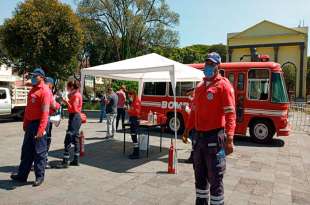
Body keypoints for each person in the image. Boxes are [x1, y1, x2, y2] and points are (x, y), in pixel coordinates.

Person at [183, 52, 236, 205]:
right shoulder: (199, 86)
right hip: (198, 139)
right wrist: (187, 130)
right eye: (207, 63)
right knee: (199, 175)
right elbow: (193, 110)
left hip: (214, 138)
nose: (208, 66)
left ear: (218, 66)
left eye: (212, 64)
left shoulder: (223, 86)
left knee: (215, 177)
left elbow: (230, 114)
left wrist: (230, 138)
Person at [10, 68, 50, 187]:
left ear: (41, 77)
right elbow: (28, 109)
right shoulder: (32, 90)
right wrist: (25, 123)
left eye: (35, 76)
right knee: (26, 151)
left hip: (39, 124)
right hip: (31, 124)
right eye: (32, 75)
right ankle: (22, 175)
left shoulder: (45, 91)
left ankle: (39, 177)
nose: (32, 77)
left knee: (39, 152)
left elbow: (45, 113)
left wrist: (41, 130)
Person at [60, 80, 83, 168]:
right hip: (76, 118)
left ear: (72, 87)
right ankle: (76, 160)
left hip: (75, 117)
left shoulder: (76, 95)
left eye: (68, 87)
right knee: (76, 138)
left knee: (68, 138)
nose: (67, 89)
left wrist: (66, 102)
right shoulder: (76, 94)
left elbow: (74, 109)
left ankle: (65, 161)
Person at [45, 77, 60, 169]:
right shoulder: (48, 92)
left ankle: (34, 162)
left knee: (37, 142)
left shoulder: (38, 89)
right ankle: (44, 161)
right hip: (46, 120)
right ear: (50, 84)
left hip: (37, 120)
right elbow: (53, 105)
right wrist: (57, 104)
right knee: (46, 140)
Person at [126, 90, 141, 159]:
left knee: (134, 136)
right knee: (133, 136)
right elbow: (131, 111)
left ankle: (136, 153)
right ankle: (135, 152)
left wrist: (129, 110)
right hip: (133, 120)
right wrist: (129, 110)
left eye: (130, 96)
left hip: (135, 120)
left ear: (133, 95)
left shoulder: (136, 102)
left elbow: (136, 112)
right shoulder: (133, 102)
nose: (129, 97)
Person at [182, 87, 195, 164]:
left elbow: (193, 113)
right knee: (194, 142)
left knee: (194, 142)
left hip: (194, 125)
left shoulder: (194, 98)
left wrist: (186, 109)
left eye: (188, 92)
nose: (187, 94)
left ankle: (193, 158)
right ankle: (193, 157)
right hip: (193, 125)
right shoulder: (192, 98)